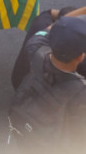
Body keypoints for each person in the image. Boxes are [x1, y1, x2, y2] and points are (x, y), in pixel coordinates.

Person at [9, 14, 86, 151]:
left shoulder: (35, 48)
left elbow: (50, 30)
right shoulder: (80, 91)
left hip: (27, 132)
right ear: (80, 57)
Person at [11, 6, 86, 90]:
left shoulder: (35, 46)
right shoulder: (79, 91)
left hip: (21, 85)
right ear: (80, 57)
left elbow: (52, 17)